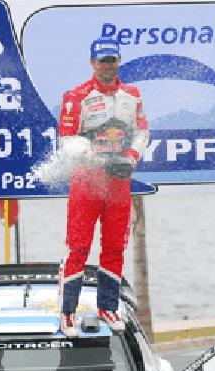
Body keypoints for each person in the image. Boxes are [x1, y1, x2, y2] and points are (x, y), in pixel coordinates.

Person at [55, 36, 150, 337]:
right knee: (79, 246)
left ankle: (107, 306)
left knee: (114, 245)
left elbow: (142, 131)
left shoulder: (132, 95)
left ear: (119, 61)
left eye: (112, 60)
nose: (108, 66)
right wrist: (97, 157)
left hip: (119, 182)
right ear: (92, 62)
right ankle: (67, 311)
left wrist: (132, 157)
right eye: (102, 60)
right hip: (87, 182)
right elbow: (67, 139)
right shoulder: (76, 96)